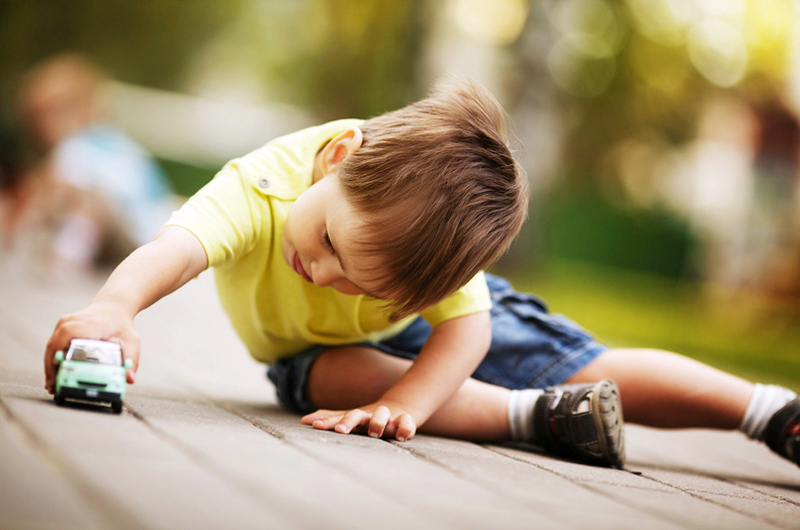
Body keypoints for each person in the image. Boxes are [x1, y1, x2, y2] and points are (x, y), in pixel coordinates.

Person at [43, 78, 799, 469]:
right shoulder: (266, 184)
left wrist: (412, 397)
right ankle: (541, 419)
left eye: (362, 283)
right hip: (317, 355)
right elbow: (178, 247)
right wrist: (116, 307)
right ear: (337, 164)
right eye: (333, 246)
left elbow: (467, 328)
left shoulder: (422, 252)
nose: (328, 279)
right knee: (335, 375)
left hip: (440, 332)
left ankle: (768, 412)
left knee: (588, 363)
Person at [11, 53, 175, 274]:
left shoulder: (73, 147)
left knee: (83, 202)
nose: (44, 126)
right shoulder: (114, 141)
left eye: (54, 112)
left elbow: (54, 191)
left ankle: (68, 257)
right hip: (160, 236)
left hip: (133, 232)